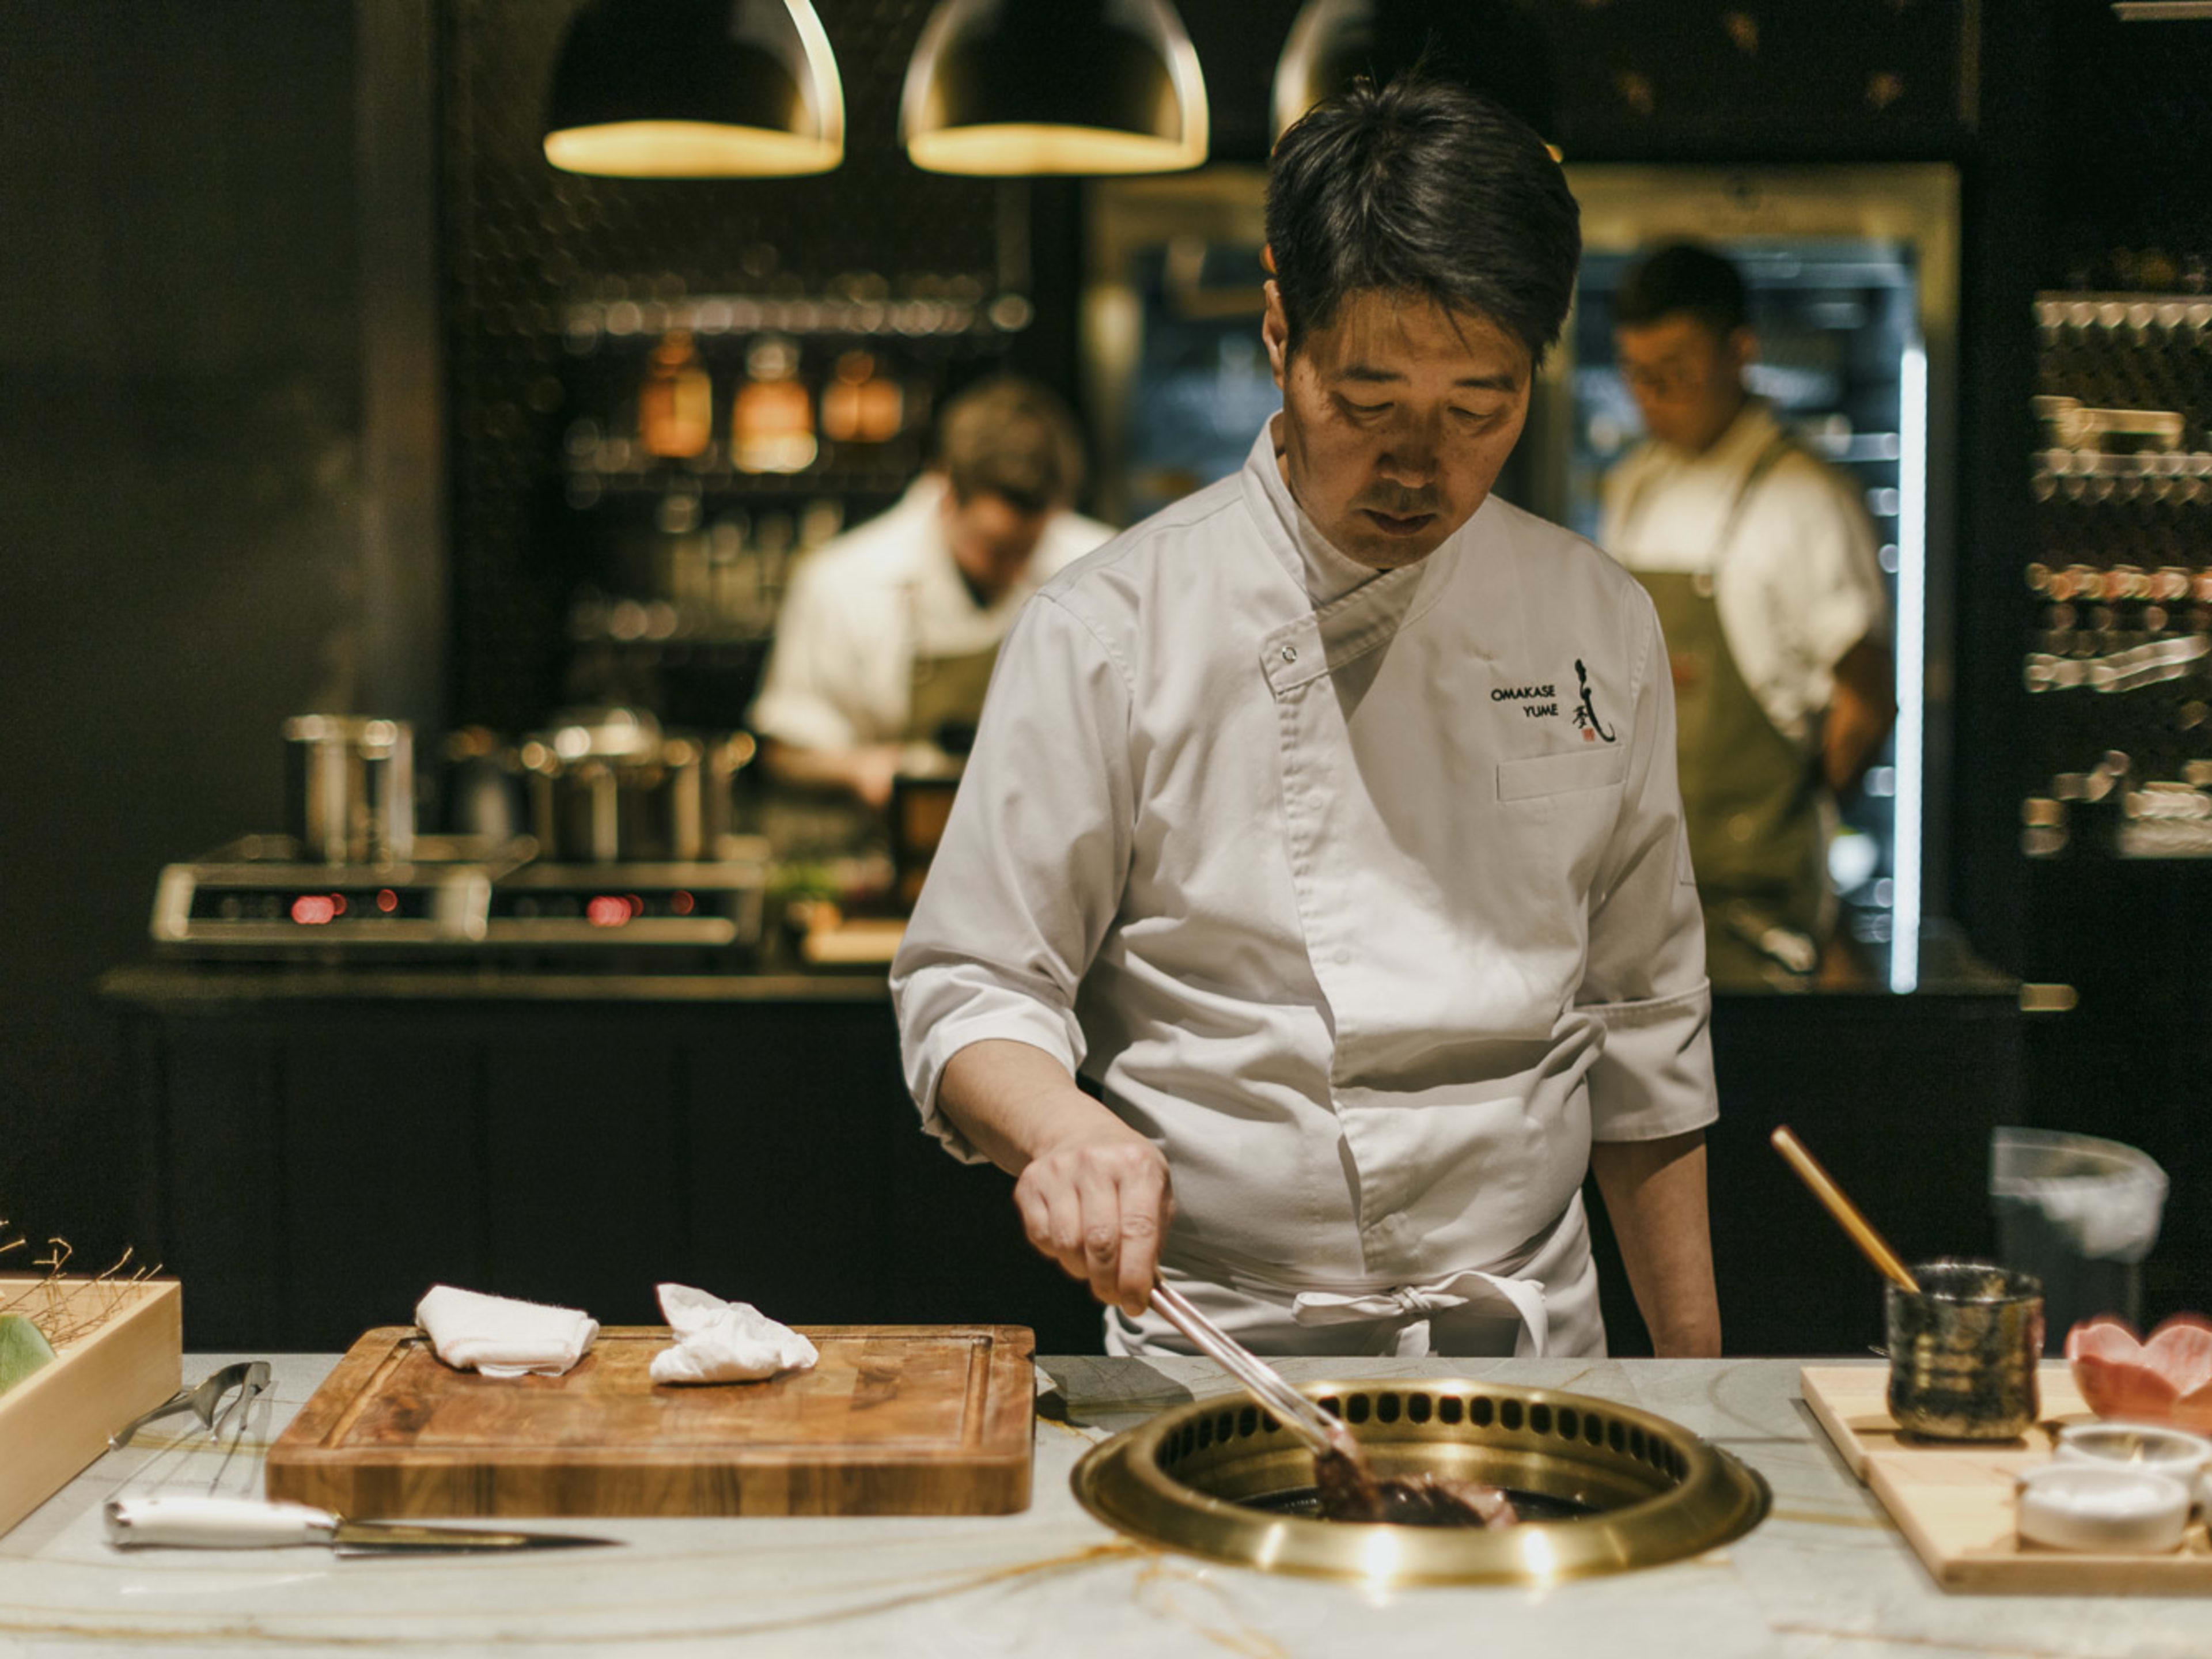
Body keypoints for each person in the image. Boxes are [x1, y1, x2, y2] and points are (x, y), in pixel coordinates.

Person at [891, 78, 1721, 1362]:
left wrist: (1705, 1386)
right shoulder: (1111, 624)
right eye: (1369, 402)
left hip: (1533, 1346)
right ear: (1280, 331)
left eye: (1480, 409)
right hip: (1219, 1349)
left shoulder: (1593, 620)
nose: (1417, 466)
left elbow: (1646, 1021)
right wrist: (1063, 1129)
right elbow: (972, 979)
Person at [1600, 243, 1897, 990]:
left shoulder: (1805, 501)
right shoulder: (1632, 487)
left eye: (1678, 369)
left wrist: (1782, 816)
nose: (1655, 394)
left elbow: (1865, 698)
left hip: (1766, 912)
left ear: (1741, 352)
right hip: (1637, 900)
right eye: (1639, 373)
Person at [748, 377, 1114, 809]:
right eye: (995, 550)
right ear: (946, 492)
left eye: (1028, 549)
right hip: (902, 851)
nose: (1013, 568)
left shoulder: (1104, 571)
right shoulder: (844, 580)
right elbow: (786, 753)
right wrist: (862, 768)